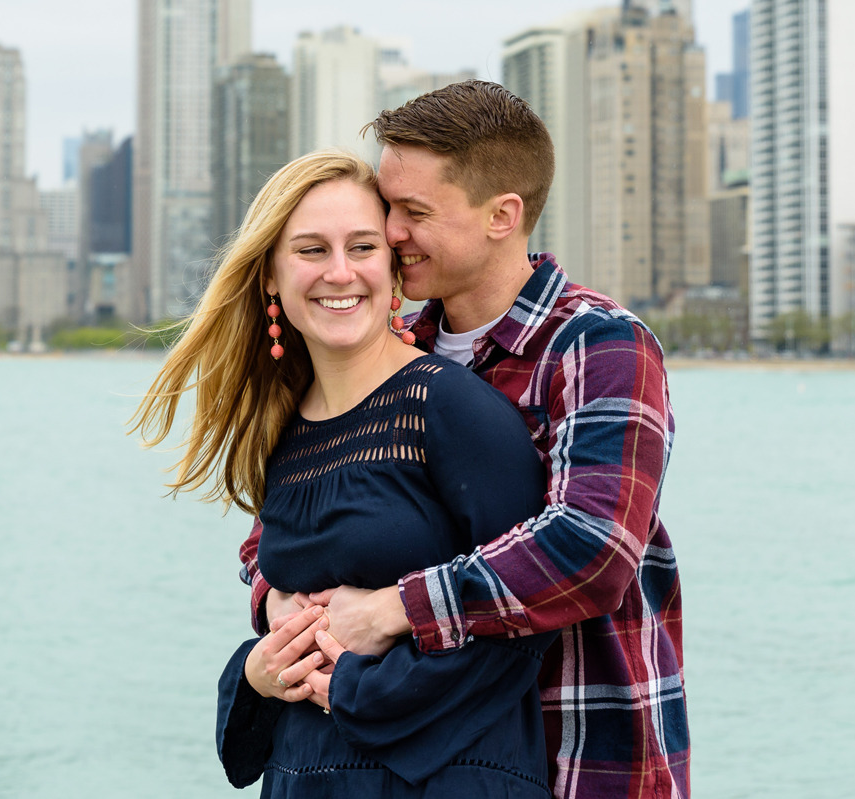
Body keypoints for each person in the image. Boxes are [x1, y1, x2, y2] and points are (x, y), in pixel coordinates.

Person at [239, 82, 690, 799]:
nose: (390, 233)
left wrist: (390, 607)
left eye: (414, 212)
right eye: (388, 207)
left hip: (581, 755)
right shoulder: (393, 352)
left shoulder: (596, 343)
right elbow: (294, 521)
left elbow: (593, 546)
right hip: (417, 762)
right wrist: (282, 608)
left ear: (502, 216)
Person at [133, 149, 558, 796]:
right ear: (271, 275)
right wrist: (257, 672)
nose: (340, 272)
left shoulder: (448, 406)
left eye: (362, 245)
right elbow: (285, 620)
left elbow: (524, 625)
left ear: (391, 266)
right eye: (310, 249)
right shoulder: (282, 430)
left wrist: (354, 688)